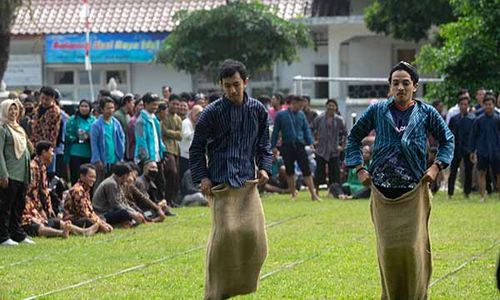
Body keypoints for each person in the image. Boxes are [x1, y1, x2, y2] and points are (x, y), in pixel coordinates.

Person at [345, 61, 454, 299]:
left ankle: (417, 295)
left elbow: (447, 140)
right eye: (396, 83)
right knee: (388, 251)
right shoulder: (377, 111)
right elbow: (353, 138)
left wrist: (436, 167)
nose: (401, 87)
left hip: (414, 193)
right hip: (382, 193)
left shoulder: (426, 113)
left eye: (406, 83)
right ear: (390, 86)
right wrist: (359, 169)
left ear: (415, 86)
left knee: (412, 250)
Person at [190, 59, 272, 299]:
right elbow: (196, 149)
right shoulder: (211, 113)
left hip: (247, 183)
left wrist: (265, 168)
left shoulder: (258, 110)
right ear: (221, 86)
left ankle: (240, 286)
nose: (232, 90)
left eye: (236, 84)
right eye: (227, 86)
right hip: (220, 184)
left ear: (246, 82)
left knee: (254, 238)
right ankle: (214, 292)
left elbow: (264, 145)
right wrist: (202, 177)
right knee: (224, 237)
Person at [23, 141, 99, 238]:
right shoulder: (33, 168)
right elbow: (31, 193)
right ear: (43, 152)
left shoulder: (42, 167)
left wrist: (48, 208)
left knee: (56, 222)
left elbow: (44, 191)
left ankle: (83, 231)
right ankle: (62, 233)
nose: (53, 154)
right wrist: (41, 209)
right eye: (51, 151)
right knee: (39, 225)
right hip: (28, 211)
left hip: (36, 209)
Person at [271, 95, 321, 201]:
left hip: (300, 145)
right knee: (290, 170)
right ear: (293, 103)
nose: (300, 108)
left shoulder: (301, 115)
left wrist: (311, 142)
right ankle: (293, 193)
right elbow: (275, 131)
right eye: (299, 105)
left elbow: (306, 129)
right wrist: (273, 146)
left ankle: (313, 194)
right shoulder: (281, 115)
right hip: (287, 145)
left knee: (306, 169)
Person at [0, 100, 33, 246]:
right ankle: (3, 236)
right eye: (10, 110)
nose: (13, 113)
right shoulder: (2, 129)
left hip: (22, 173)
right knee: (6, 206)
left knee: (19, 205)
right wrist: (3, 173)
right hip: (10, 173)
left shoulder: (18, 128)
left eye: (15, 110)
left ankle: (17, 233)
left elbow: (28, 150)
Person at [63, 164, 113, 233]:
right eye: (91, 177)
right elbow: (84, 213)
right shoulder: (78, 190)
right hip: (73, 219)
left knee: (101, 218)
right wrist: (101, 224)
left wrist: (102, 222)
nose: (93, 180)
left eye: (94, 177)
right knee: (89, 221)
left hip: (83, 217)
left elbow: (91, 211)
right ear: (82, 177)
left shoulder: (86, 190)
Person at [469, 92, 500, 202]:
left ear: (494, 105)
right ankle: (482, 196)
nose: (488, 106)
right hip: (482, 151)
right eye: (486, 104)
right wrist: (472, 152)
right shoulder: (478, 120)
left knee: (498, 173)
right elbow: (473, 137)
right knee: (481, 173)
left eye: (490, 104)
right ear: (484, 105)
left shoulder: (498, 118)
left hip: (496, 151)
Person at [312, 98, 347, 190]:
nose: (331, 107)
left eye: (333, 105)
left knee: (334, 173)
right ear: (326, 106)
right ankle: (316, 191)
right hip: (321, 149)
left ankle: (334, 191)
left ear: (336, 107)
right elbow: (311, 129)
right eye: (329, 105)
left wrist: (342, 146)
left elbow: (345, 133)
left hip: (334, 150)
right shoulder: (319, 118)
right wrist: (313, 141)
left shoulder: (339, 120)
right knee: (319, 172)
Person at [90, 97, 125, 187]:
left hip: (115, 159)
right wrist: (97, 159)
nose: (111, 110)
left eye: (112, 108)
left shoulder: (116, 123)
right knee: (101, 184)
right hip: (102, 161)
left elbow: (122, 137)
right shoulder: (96, 125)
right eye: (108, 108)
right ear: (102, 109)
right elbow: (94, 143)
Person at [448, 92, 475, 198]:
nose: (463, 106)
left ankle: (467, 192)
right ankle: (450, 192)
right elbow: (449, 134)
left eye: (465, 104)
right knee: (453, 171)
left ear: (468, 105)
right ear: (458, 105)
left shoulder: (472, 119)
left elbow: (474, 135)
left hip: (468, 148)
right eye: (461, 104)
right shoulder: (454, 119)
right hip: (456, 148)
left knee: (468, 170)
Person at [30, 86, 62, 176]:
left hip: (46, 149)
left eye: (47, 99)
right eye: (42, 98)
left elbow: (54, 134)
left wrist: (48, 151)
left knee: (47, 175)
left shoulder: (55, 112)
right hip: (34, 146)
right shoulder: (37, 108)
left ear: (52, 98)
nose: (44, 101)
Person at [64, 100, 96, 184]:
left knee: (89, 179)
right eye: (82, 106)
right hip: (75, 153)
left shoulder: (93, 120)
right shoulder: (72, 120)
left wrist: (89, 137)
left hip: (89, 153)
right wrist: (76, 138)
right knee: (76, 178)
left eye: (86, 106)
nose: (84, 108)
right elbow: (67, 134)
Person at [161, 94, 183, 205]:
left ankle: (171, 200)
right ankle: (166, 199)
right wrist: (174, 133)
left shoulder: (178, 118)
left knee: (175, 175)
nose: (175, 106)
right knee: (171, 172)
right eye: (173, 103)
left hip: (175, 149)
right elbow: (163, 131)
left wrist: (171, 133)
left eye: (177, 104)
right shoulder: (164, 116)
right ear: (169, 103)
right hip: (166, 148)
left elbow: (180, 135)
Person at [179, 105, 203, 182]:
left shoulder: (195, 123)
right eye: (197, 114)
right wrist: (198, 129)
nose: (198, 117)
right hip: (185, 155)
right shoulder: (186, 122)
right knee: (186, 176)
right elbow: (186, 135)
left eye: (200, 115)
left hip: (192, 155)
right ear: (192, 113)